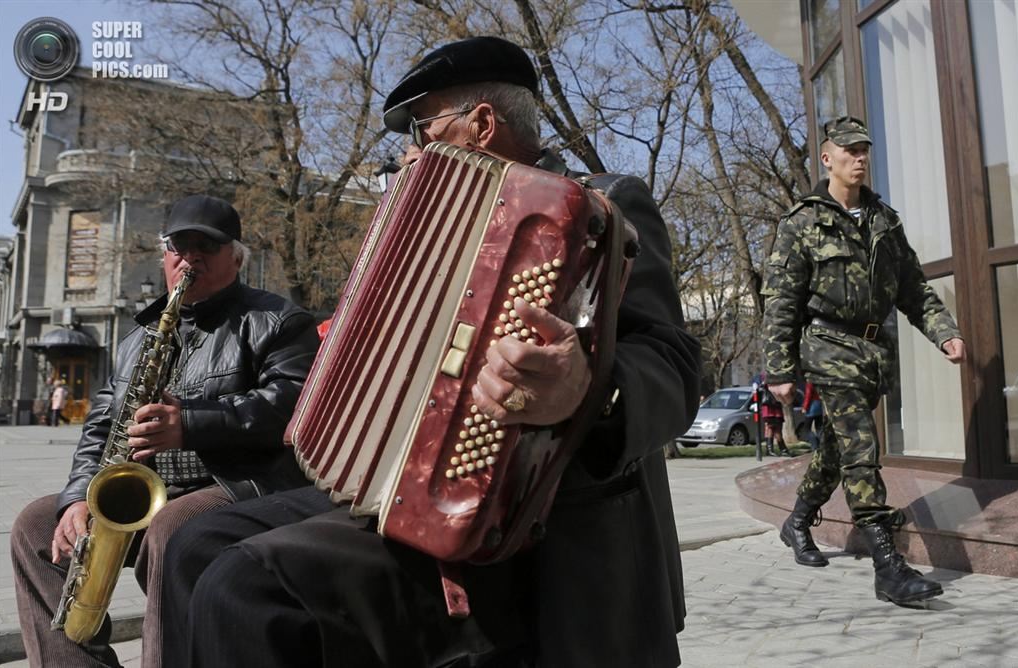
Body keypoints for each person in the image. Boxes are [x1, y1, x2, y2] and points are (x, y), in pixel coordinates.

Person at [160, 36, 701, 668]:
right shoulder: (421, 229)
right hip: (410, 488)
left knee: (245, 588)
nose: (410, 151)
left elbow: (675, 365)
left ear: (481, 123)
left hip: (545, 525)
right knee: (193, 543)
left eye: (421, 127)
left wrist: (587, 387)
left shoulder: (604, 205)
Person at [10, 195, 320, 668]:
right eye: (179, 245)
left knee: (173, 531)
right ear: (164, 254)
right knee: (35, 525)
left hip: (237, 483)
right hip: (152, 486)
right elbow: (100, 424)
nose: (189, 257)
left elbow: (292, 405)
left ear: (236, 258)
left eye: (206, 247)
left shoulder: (278, 320)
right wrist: (76, 497)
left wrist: (190, 422)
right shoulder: (140, 337)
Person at [762, 116, 966, 605]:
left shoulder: (883, 220)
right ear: (827, 158)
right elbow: (781, 300)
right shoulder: (803, 222)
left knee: (836, 448)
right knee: (860, 448)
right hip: (828, 348)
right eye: (849, 149)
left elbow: (913, 287)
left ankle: (796, 522)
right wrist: (779, 370)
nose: (860, 157)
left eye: (864, 149)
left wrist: (944, 333)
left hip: (873, 354)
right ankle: (888, 566)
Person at [759, 381, 791, 456]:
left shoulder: (765, 382)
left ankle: (771, 449)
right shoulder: (776, 380)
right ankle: (781, 449)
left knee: (771, 428)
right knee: (774, 428)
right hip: (773, 408)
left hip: (769, 408)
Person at [801, 381, 823, 451]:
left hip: (812, 406)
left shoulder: (809, 382)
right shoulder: (818, 381)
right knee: (819, 427)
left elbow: (808, 394)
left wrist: (805, 407)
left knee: (806, 429)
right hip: (819, 404)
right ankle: (822, 444)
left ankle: (815, 445)